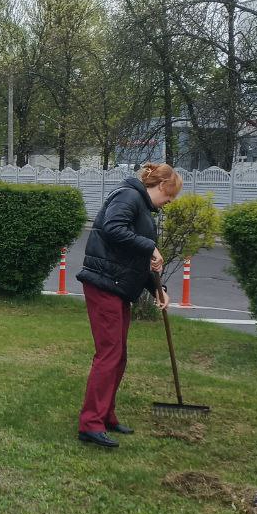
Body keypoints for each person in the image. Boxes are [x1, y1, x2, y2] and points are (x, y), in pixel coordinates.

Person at [75, 162, 184, 449]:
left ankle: (106, 415)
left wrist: (157, 289)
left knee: (119, 355)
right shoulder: (128, 196)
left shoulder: (142, 207)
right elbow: (112, 228)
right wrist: (150, 246)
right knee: (109, 354)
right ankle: (90, 424)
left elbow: (136, 259)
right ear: (161, 186)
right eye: (170, 195)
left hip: (118, 286)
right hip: (103, 284)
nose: (170, 201)